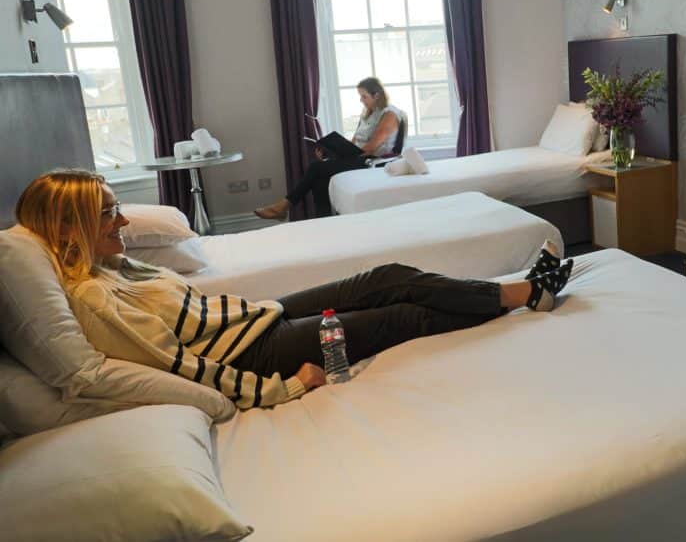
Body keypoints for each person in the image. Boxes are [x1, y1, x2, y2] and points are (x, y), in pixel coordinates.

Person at [17, 170, 573, 409]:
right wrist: (280, 390)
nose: (123, 223)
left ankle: (511, 293)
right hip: (256, 352)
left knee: (384, 277)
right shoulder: (93, 299)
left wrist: (262, 311)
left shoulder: (111, 269)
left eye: (118, 209)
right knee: (402, 315)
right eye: (109, 213)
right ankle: (522, 296)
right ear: (67, 228)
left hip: (255, 318)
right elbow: (177, 366)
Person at [255, 77, 403, 220]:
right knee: (320, 176)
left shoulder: (390, 114)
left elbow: (371, 148)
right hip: (358, 157)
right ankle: (323, 221)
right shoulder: (367, 115)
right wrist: (331, 152)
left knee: (316, 168)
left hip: (372, 161)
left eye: (364, 96)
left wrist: (342, 155)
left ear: (376, 95)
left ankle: (284, 206)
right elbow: (353, 144)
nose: (361, 100)